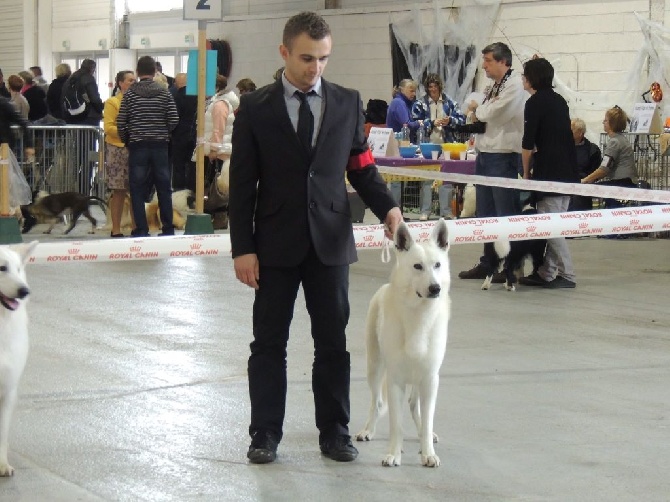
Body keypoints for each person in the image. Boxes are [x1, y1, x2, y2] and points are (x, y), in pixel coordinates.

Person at [229, 11, 402, 465]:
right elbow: (243, 186)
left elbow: (361, 166)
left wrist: (388, 207)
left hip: (330, 243)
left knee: (333, 343)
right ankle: (264, 433)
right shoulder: (255, 108)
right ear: (284, 52)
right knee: (268, 345)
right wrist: (242, 248)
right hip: (272, 247)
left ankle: (336, 431)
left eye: (324, 58)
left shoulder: (347, 102)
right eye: (307, 58)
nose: (316, 67)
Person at [458, 42, 527, 280]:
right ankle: (489, 262)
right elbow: (476, 109)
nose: (484, 66)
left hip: (503, 154)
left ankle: (512, 265)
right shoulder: (492, 85)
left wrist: (480, 109)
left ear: (502, 61)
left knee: (505, 212)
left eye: (487, 60)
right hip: (485, 153)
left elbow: (496, 113)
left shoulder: (515, 85)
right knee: (485, 212)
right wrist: (479, 110)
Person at [516, 57, 579, 289]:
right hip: (569, 171)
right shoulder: (560, 100)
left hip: (550, 172)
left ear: (531, 78)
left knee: (551, 226)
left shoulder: (533, 103)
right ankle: (547, 272)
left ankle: (568, 274)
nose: (523, 79)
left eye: (525, 75)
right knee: (556, 222)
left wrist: (526, 174)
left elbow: (527, 143)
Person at [116, 55, 179, 237]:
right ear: (154, 72)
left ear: (137, 72)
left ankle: (141, 229)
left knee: (137, 188)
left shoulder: (130, 94)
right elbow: (174, 118)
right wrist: (163, 132)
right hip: (160, 146)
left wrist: (127, 139)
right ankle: (167, 228)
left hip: (137, 146)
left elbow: (121, 121)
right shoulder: (164, 92)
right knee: (164, 187)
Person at [411, 73, 466, 220]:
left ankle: (446, 211)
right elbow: (415, 123)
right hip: (427, 146)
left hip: (447, 145)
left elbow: (462, 120)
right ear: (427, 88)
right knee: (427, 179)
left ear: (440, 87)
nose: (433, 89)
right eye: (430, 87)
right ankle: (425, 211)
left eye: (435, 86)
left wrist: (450, 121)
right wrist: (431, 123)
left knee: (446, 179)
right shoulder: (420, 104)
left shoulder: (450, 102)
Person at [581, 106, 637, 209]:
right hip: (627, 183)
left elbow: (604, 169)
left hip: (621, 184)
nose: (603, 123)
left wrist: (585, 180)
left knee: (586, 190)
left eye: (605, 121)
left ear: (612, 124)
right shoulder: (622, 139)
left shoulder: (614, 142)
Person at [103, 70, 136, 238]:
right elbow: (108, 127)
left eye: (134, 80)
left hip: (135, 148)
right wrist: (128, 131)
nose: (133, 83)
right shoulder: (112, 102)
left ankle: (135, 227)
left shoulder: (137, 102)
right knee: (119, 191)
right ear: (120, 83)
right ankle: (115, 228)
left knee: (136, 191)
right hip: (117, 149)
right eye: (130, 80)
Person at [385, 79, 421, 206]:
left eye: (415, 91)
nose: (414, 94)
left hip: (399, 145)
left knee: (399, 181)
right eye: (411, 90)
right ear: (402, 90)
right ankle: (394, 210)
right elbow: (407, 124)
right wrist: (420, 123)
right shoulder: (399, 103)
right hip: (397, 146)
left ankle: (396, 209)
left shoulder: (401, 103)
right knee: (397, 181)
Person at [171, 72, 197, 191]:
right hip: (195, 134)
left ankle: (179, 190)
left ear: (177, 84)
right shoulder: (198, 96)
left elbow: (174, 118)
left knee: (179, 166)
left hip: (179, 135)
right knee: (192, 165)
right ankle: (192, 191)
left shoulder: (176, 97)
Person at [569, 118, 601, 211]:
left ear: (580, 133)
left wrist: (584, 180)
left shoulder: (593, 150)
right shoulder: (563, 148)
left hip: (583, 190)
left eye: (571, 131)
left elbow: (596, 173)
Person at [63, 59, 103, 125]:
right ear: (92, 68)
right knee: (90, 135)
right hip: (89, 116)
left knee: (76, 135)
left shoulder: (71, 78)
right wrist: (100, 108)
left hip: (72, 114)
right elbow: (94, 98)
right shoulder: (89, 78)